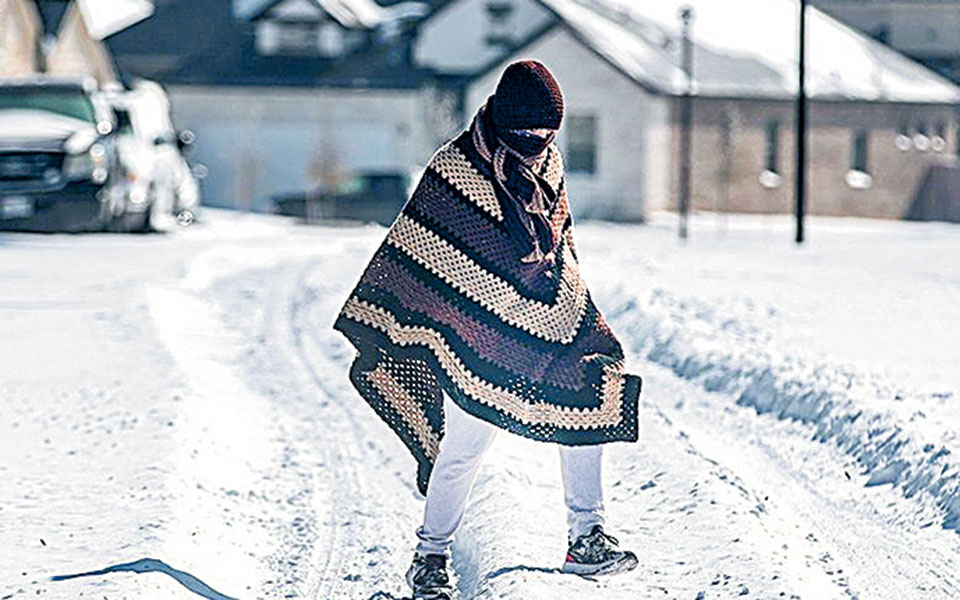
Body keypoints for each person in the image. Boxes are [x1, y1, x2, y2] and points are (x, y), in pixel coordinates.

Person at [333, 60, 642, 600]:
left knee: (591, 393)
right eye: (526, 133)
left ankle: (586, 536)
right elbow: (427, 248)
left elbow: (558, 244)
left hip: (545, 322)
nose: (537, 142)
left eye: (547, 133)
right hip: (474, 334)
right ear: (504, 121)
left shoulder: (550, 163)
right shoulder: (457, 166)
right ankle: (429, 559)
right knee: (463, 449)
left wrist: (568, 305)